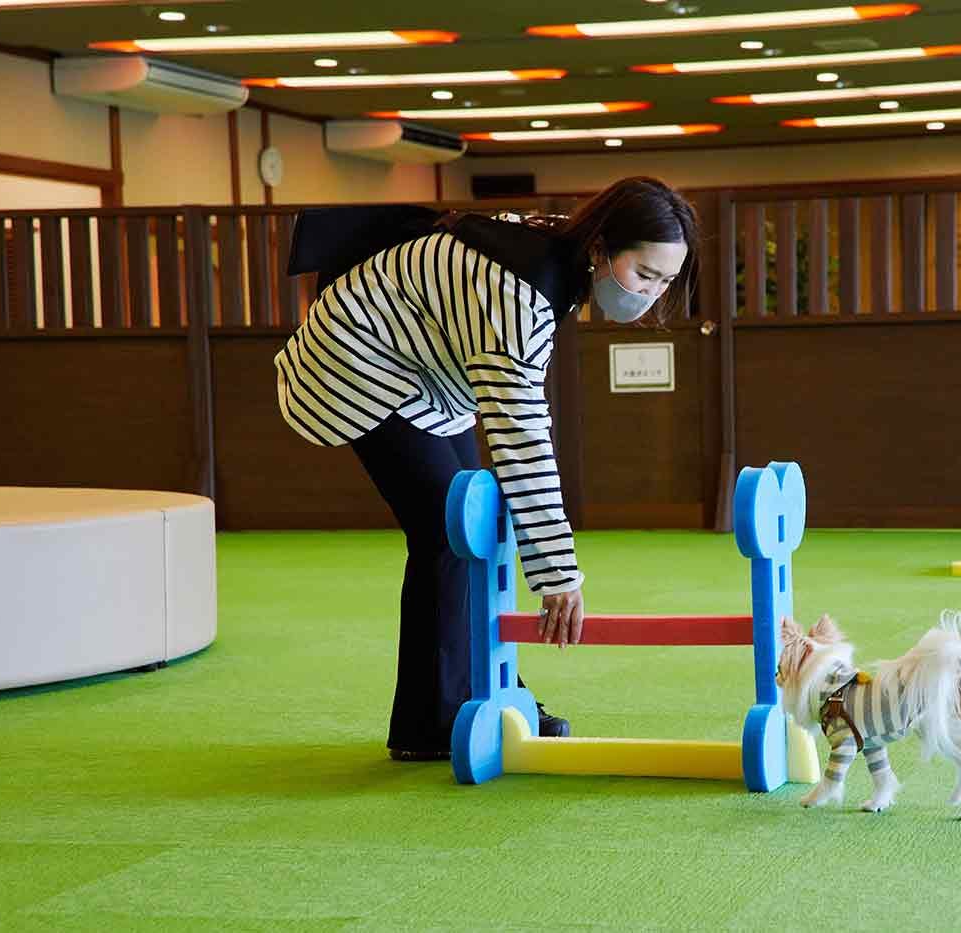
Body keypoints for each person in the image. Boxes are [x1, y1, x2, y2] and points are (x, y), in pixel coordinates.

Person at [275, 177, 701, 760]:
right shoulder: (522, 296)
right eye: (644, 274)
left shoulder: (562, 253)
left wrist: (546, 563)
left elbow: (519, 419)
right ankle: (434, 724)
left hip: (423, 371)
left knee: (480, 533)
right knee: (447, 538)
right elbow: (520, 435)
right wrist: (558, 576)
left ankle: (490, 696)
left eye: (665, 282)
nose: (650, 294)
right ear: (602, 248)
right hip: (356, 362)